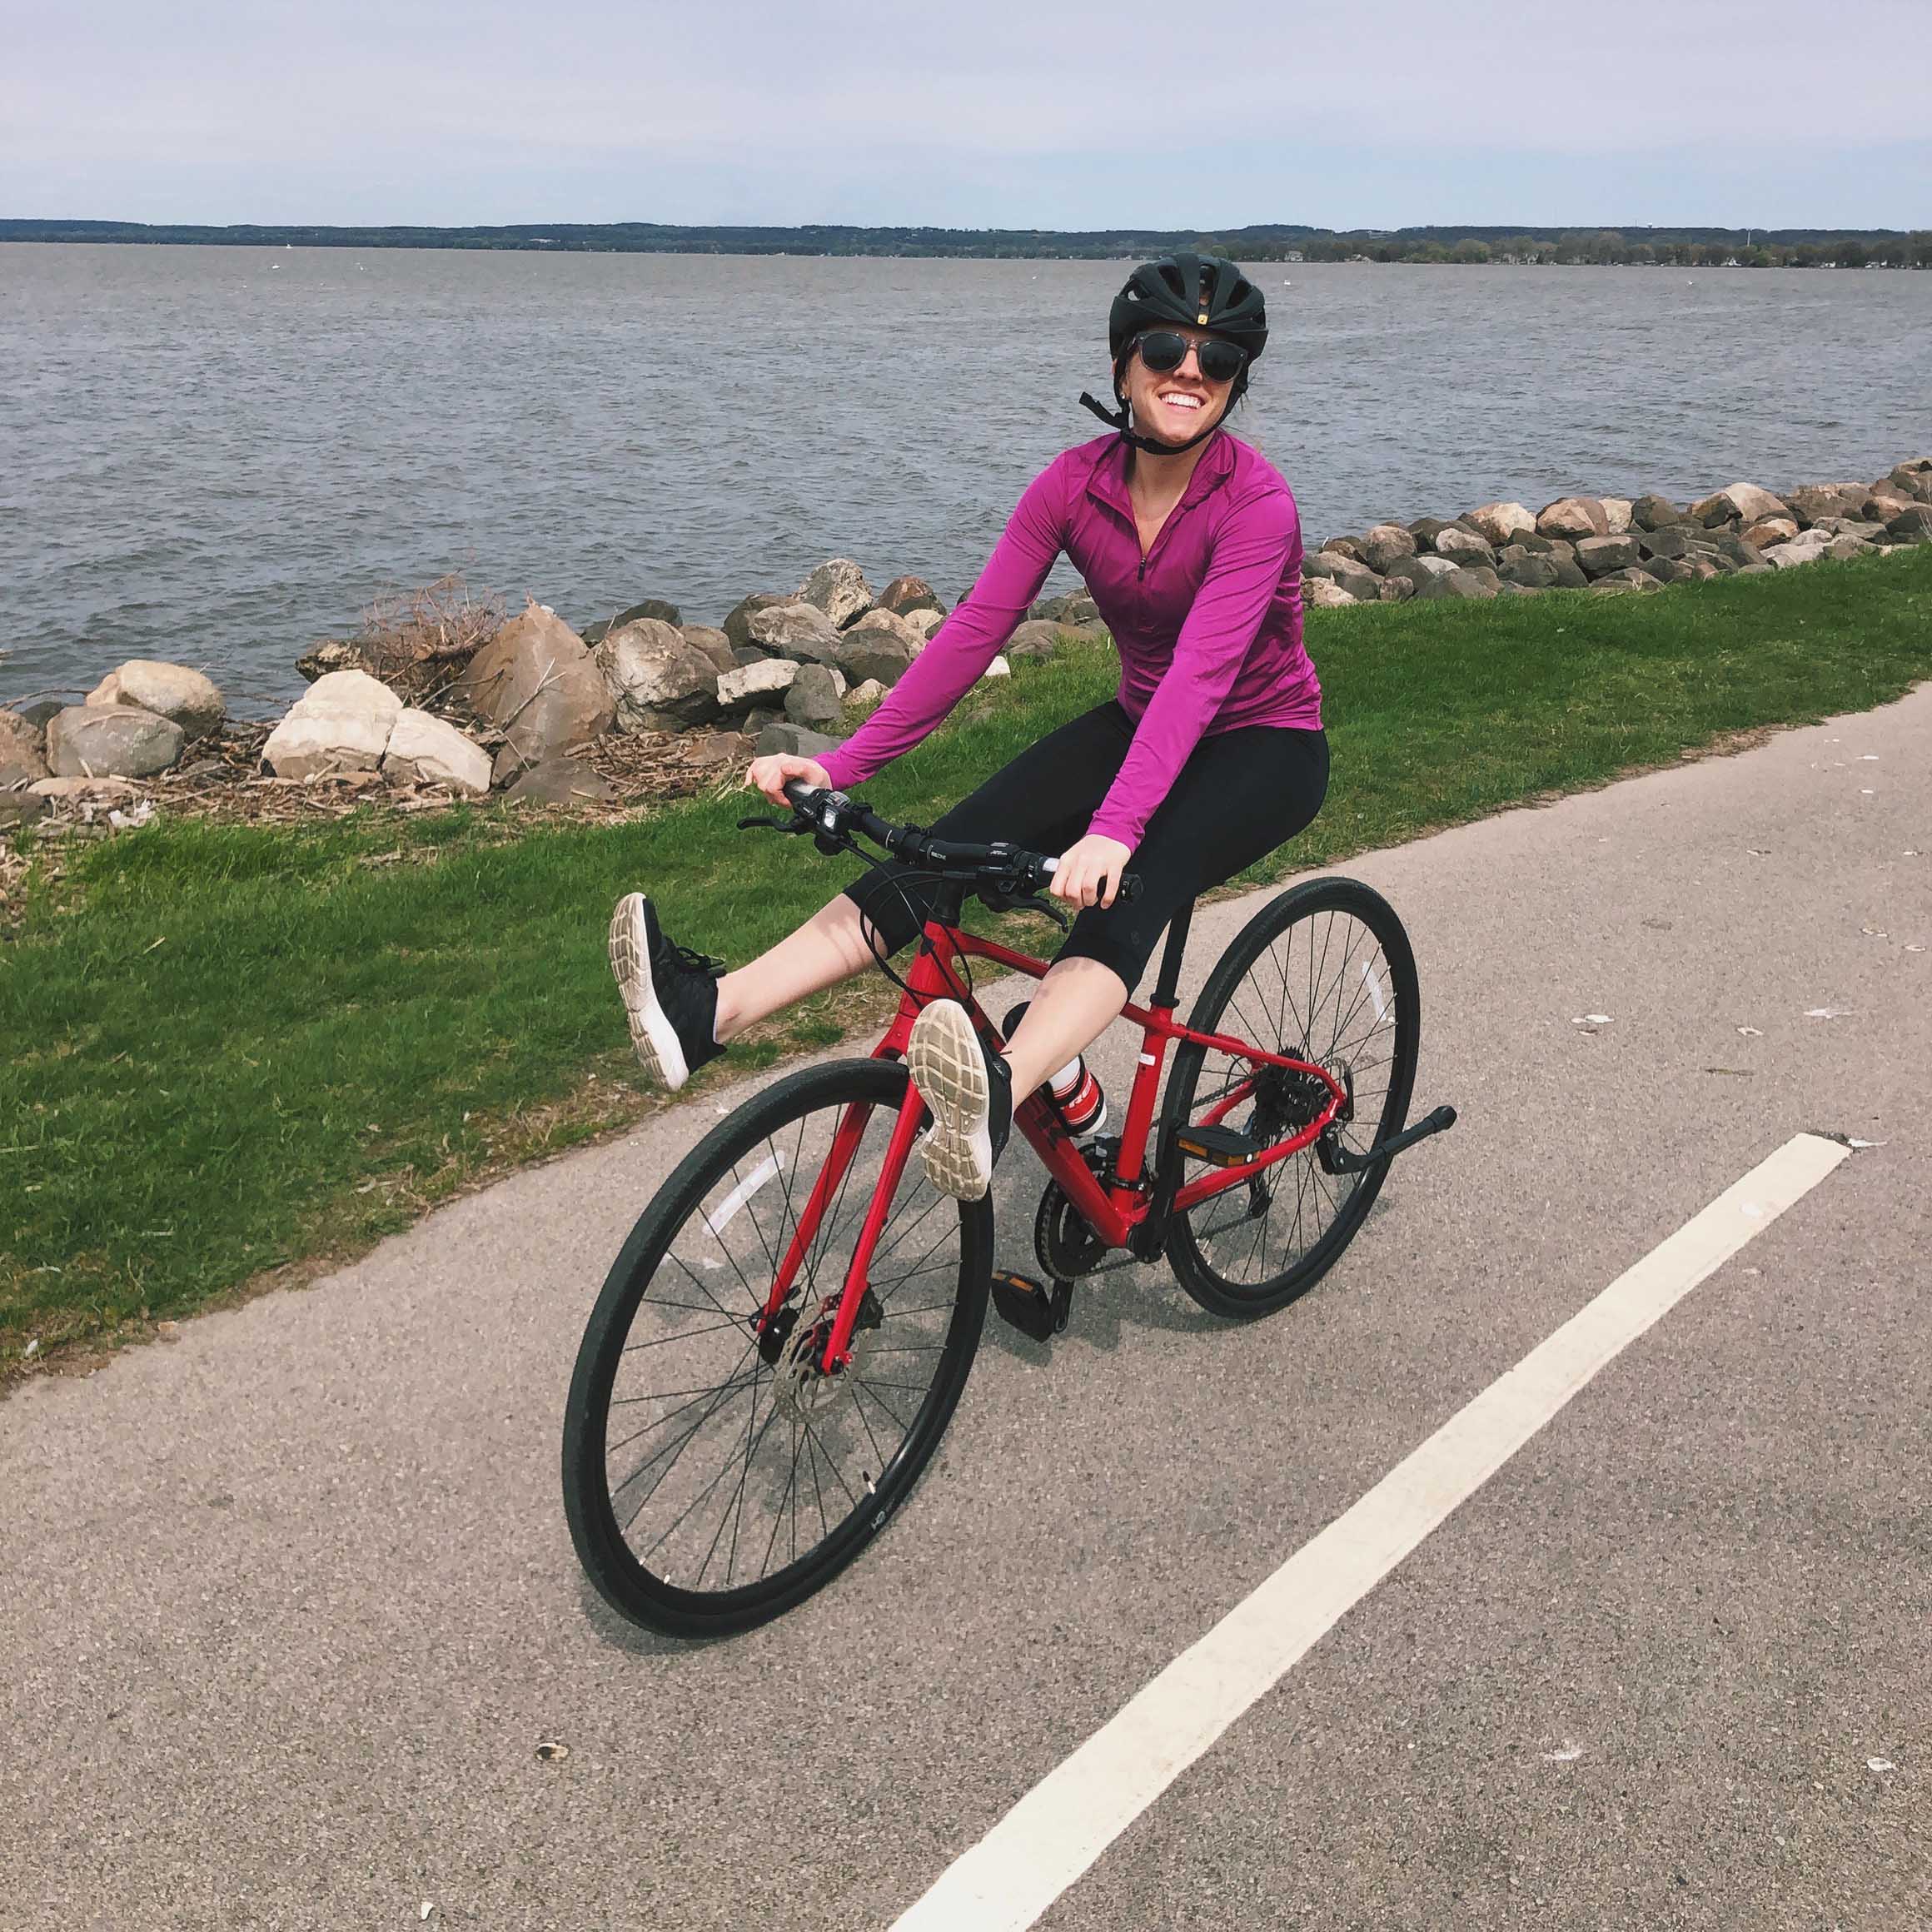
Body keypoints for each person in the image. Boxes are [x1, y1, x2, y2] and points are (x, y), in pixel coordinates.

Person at [609, 252, 1328, 1209]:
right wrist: (838, 763)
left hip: (1262, 743)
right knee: (940, 853)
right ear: (1123, 365)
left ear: (1235, 383)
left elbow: (1199, 681)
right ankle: (711, 1010)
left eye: (1219, 358)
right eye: (1166, 348)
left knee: (1128, 889)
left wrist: (1111, 828)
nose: (1189, 370)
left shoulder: (1255, 507)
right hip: (1137, 722)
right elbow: (967, 640)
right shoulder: (1072, 488)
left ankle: (998, 1090)